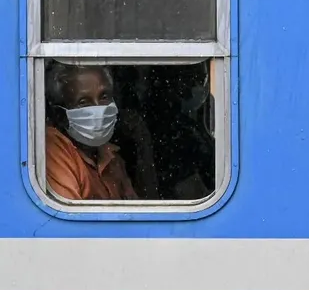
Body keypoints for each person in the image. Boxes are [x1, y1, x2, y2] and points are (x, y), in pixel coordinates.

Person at [44, 62, 137, 200]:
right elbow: (68, 211)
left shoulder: (111, 156)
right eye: (83, 102)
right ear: (60, 114)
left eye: (104, 97)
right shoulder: (52, 146)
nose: (98, 109)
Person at [142, 63, 215, 200]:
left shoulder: (189, 121)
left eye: (201, 80)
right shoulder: (169, 129)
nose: (198, 87)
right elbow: (185, 187)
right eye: (193, 80)